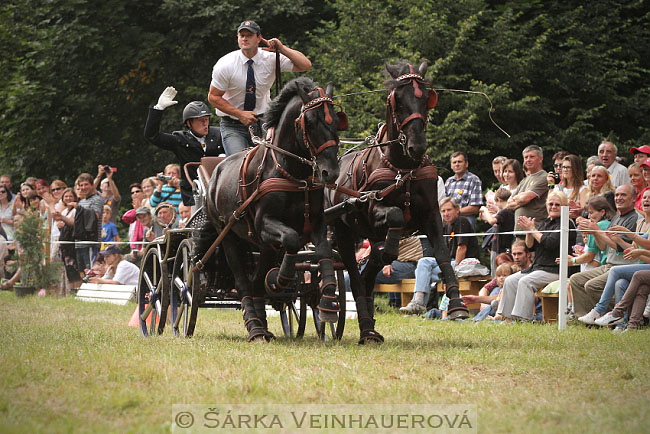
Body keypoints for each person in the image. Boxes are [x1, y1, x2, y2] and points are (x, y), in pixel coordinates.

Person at [208, 20, 312, 155]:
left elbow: (305, 65)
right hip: (233, 125)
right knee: (238, 164)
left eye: (249, 35)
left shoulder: (271, 59)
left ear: (259, 38)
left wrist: (282, 48)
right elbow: (213, 96)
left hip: (263, 121)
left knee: (273, 161)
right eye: (242, 35)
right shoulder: (225, 64)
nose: (245, 38)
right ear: (238, 38)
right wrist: (240, 114)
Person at [496, 191, 577, 322]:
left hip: (556, 269)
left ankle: (523, 319)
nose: (553, 207)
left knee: (525, 282)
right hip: (538, 268)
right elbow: (530, 247)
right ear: (546, 205)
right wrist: (529, 232)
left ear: (565, 206)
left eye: (558, 204)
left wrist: (533, 230)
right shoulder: (546, 222)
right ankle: (507, 319)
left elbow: (550, 243)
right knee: (510, 281)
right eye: (551, 204)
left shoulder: (566, 223)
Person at [578, 188, 650, 326]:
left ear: (634, 199)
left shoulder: (636, 218)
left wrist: (627, 234)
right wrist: (617, 239)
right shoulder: (638, 222)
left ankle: (602, 311)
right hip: (633, 263)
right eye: (617, 194)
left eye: (623, 194)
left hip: (628, 265)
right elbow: (630, 249)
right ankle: (623, 323)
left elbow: (646, 245)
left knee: (614, 272)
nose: (646, 200)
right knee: (619, 283)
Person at [144, 86, 223, 206]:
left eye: (207, 119)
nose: (205, 124)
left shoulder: (219, 134)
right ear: (189, 123)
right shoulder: (180, 139)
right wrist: (158, 109)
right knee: (199, 224)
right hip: (195, 196)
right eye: (200, 120)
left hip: (221, 192)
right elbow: (152, 136)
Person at [399, 197, 480, 314]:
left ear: (457, 210)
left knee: (425, 270)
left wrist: (450, 273)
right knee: (423, 263)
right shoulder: (446, 226)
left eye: (449, 210)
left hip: (465, 263)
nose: (446, 213)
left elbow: (462, 248)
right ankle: (418, 302)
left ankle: (418, 306)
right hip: (451, 261)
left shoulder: (462, 221)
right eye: (443, 211)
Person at [506, 145, 549, 230]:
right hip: (519, 230)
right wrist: (521, 199)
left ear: (540, 159)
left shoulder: (544, 177)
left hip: (535, 230)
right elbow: (508, 204)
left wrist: (520, 198)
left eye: (532, 157)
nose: (528, 160)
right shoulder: (524, 180)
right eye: (526, 157)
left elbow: (524, 199)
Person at [74, 173, 104, 273]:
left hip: (91, 242)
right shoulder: (81, 202)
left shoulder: (97, 199)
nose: (83, 187)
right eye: (81, 185)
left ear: (92, 185)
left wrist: (79, 208)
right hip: (79, 243)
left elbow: (95, 217)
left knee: (91, 272)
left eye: (86, 184)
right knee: (82, 273)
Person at [444, 151, 482, 228]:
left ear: (466, 164)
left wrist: (455, 213)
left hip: (466, 218)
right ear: (451, 166)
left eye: (459, 162)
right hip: (449, 218)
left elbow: (475, 208)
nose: (457, 164)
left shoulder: (474, 180)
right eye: (454, 162)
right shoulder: (449, 181)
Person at [552, 154, 586, 219]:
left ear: (576, 169)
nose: (565, 169)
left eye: (568, 167)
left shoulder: (582, 189)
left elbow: (584, 212)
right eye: (563, 167)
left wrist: (578, 211)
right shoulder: (557, 188)